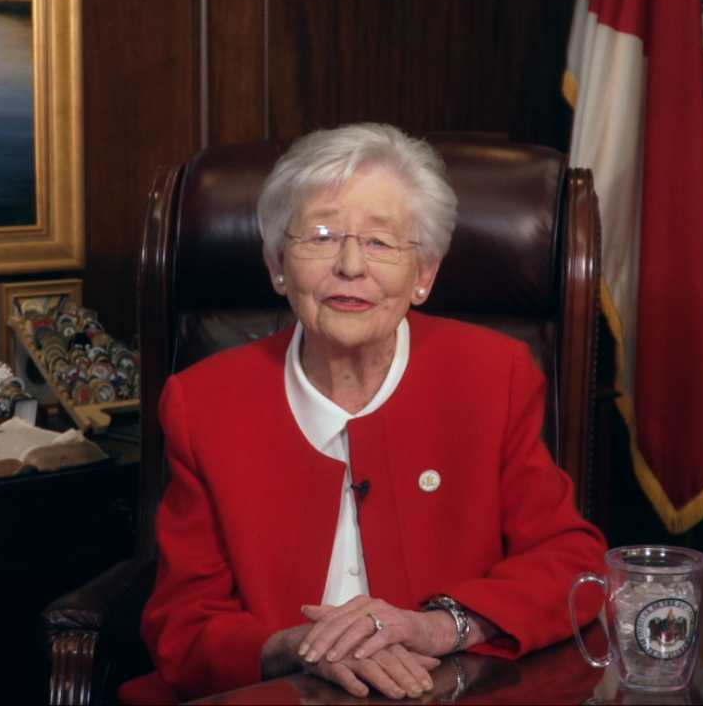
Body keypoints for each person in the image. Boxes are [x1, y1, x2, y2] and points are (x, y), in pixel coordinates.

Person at [121, 123, 607, 704]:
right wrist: (300, 647)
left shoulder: (493, 376)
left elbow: (571, 565)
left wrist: (439, 626)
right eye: (321, 236)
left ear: (423, 274)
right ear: (277, 264)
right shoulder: (203, 401)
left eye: (380, 242)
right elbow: (183, 622)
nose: (351, 265)